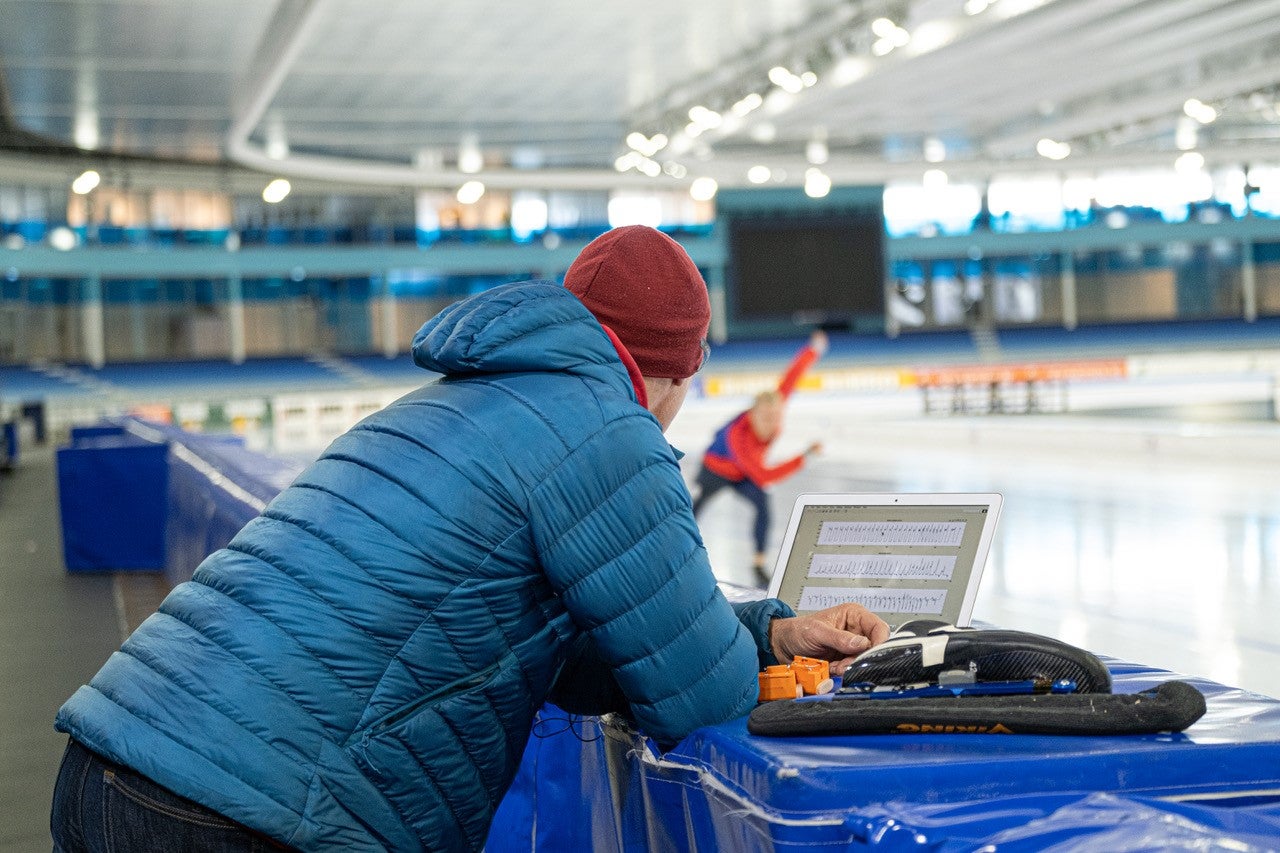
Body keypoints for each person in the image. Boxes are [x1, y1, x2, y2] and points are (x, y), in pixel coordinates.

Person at [50, 225, 888, 852]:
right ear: (674, 369)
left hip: (115, 762)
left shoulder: (456, 401)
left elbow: (569, 643)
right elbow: (703, 700)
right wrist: (772, 666)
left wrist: (770, 630)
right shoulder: (606, 429)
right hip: (246, 810)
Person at [693, 329, 829, 586]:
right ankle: (677, 547)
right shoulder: (738, 437)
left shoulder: (775, 403)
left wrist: (814, 349)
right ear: (753, 414)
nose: (772, 423)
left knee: (763, 505)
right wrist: (806, 457)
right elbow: (764, 475)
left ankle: (758, 564)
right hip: (715, 469)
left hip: (742, 472)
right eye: (766, 418)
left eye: (776, 417)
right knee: (695, 510)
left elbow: (792, 377)